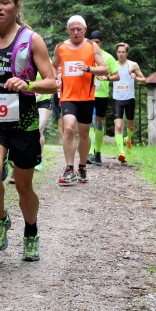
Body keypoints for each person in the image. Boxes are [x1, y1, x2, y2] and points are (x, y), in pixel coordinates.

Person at [0, 0, 57, 261]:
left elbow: (52, 82)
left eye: (5, 2)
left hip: (24, 121)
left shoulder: (32, 39)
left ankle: (31, 231)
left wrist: (27, 84)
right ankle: (1, 218)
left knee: (23, 186)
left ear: (17, 6)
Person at [51, 16, 108, 185]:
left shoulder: (92, 46)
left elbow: (104, 68)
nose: (76, 32)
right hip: (68, 96)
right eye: (73, 30)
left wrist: (89, 68)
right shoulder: (60, 47)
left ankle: (82, 166)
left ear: (85, 29)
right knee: (69, 129)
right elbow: (54, 65)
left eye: (79, 29)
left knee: (84, 133)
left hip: (87, 97)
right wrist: (55, 79)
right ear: (67, 30)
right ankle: (69, 169)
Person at [87, 31, 119, 166]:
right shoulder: (86, 55)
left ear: (101, 43)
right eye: (92, 42)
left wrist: (106, 78)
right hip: (88, 94)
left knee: (99, 124)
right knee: (89, 123)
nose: (95, 44)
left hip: (102, 95)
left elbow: (117, 76)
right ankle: (90, 152)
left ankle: (98, 152)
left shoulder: (108, 57)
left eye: (97, 42)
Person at [113, 42, 146, 162]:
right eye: (119, 52)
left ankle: (128, 140)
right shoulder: (113, 65)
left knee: (130, 126)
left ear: (127, 53)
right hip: (117, 99)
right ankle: (121, 152)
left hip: (129, 99)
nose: (121, 54)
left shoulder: (132, 65)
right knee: (118, 126)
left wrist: (136, 78)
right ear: (116, 53)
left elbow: (144, 80)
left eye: (123, 52)